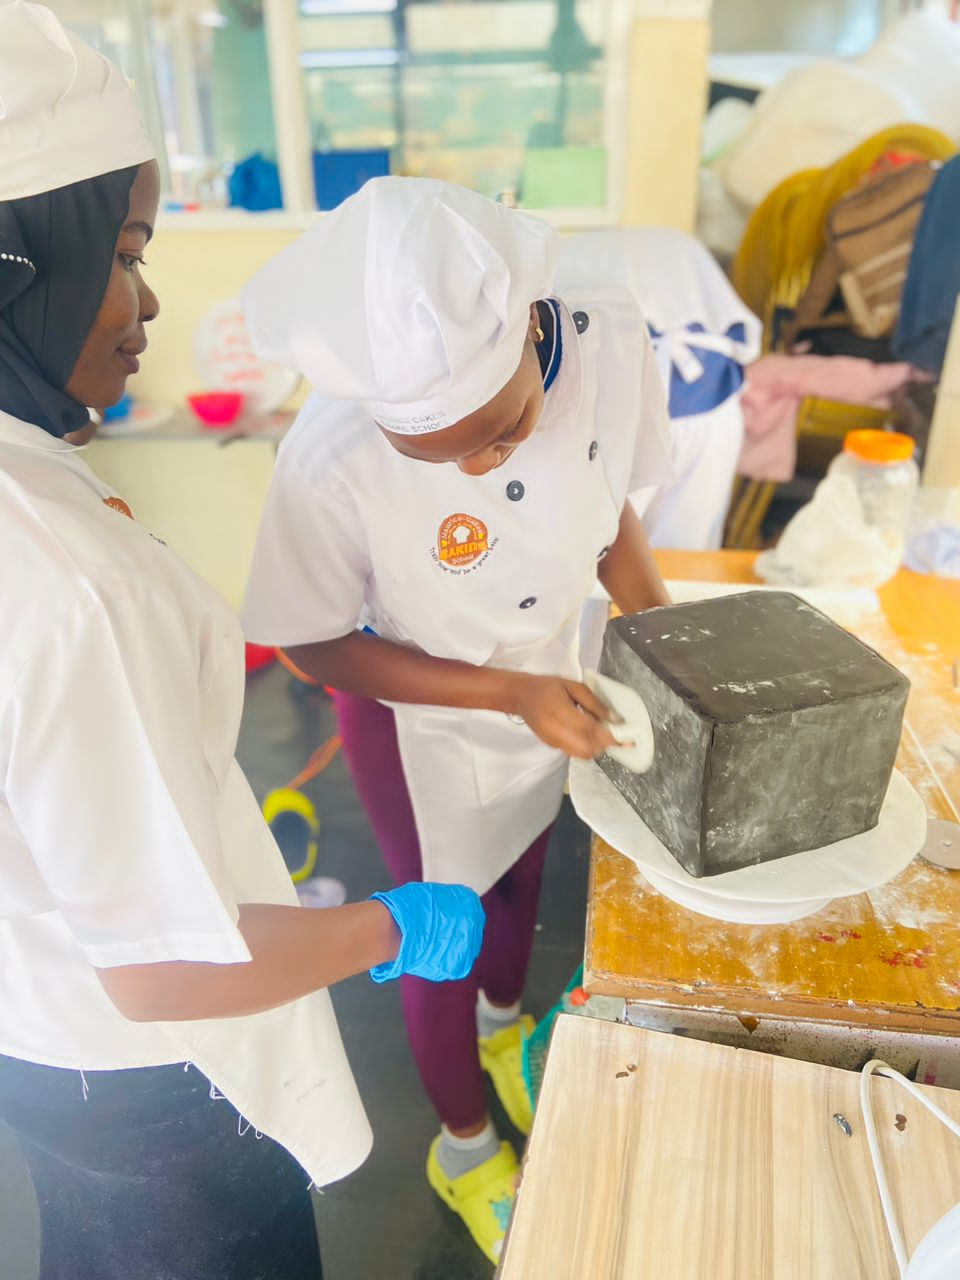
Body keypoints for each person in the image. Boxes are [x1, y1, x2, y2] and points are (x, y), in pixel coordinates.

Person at [0, 6, 483, 1278]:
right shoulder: (70, 585)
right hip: (149, 1072)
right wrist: (387, 925)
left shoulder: (38, 496)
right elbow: (162, 971)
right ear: (20, 264)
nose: (147, 298)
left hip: (34, 1020)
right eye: (123, 252)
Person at [240, 176, 674, 1263]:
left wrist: (664, 633)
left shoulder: (606, 335)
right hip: (414, 710)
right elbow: (311, 640)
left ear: (534, 325)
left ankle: (502, 1031)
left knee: (526, 872)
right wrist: (506, 695)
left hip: (544, 674)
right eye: (444, 458)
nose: (485, 464)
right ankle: (465, 1145)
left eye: (505, 429)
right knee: (447, 926)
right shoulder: (328, 454)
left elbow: (609, 492)